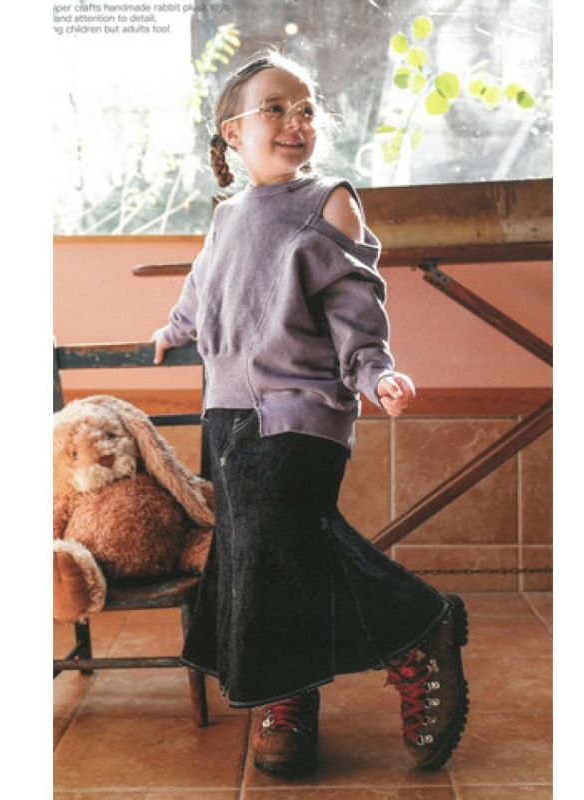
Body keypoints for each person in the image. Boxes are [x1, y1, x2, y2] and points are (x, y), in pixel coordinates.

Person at [152, 50, 469, 778]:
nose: (296, 122)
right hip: (227, 414)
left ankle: (418, 628)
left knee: (281, 541)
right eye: (276, 108)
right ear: (233, 133)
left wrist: (377, 375)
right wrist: (173, 329)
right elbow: (202, 292)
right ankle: (286, 692)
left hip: (300, 412)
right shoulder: (226, 217)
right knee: (265, 556)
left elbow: (358, 309)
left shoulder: (329, 201)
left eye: (306, 109)